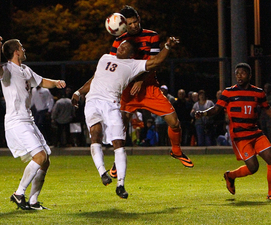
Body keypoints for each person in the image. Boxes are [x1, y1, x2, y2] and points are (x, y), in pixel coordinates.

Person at [71, 37, 178, 199]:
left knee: (119, 143)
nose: (120, 48)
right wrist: (79, 92)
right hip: (93, 100)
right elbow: (95, 78)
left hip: (113, 104)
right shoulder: (105, 58)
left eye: (125, 47)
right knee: (96, 133)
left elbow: (155, 61)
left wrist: (167, 47)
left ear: (131, 53)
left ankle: (120, 184)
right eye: (121, 45)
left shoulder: (133, 64)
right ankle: (102, 173)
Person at [109, 5, 194, 176]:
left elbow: (155, 62)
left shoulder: (151, 36)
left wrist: (141, 80)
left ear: (139, 19)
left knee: (174, 122)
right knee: (121, 127)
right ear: (124, 24)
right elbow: (113, 65)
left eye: (135, 22)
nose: (134, 26)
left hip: (149, 87)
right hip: (128, 90)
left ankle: (176, 150)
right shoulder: (119, 40)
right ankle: (117, 161)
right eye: (130, 24)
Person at [0, 36, 66, 210]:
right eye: (21, 47)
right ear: (16, 52)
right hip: (16, 122)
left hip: (29, 120)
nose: (24, 50)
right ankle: (19, 193)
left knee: (45, 160)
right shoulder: (7, 69)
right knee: (39, 157)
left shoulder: (25, 70)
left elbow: (41, 82)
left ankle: (33, 201)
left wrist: (56, 83)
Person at [195, 63, 271, 199]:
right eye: (237, 73)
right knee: (253, 167)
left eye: (243, 73)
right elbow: (217, 109)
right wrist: (203, 113)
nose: (239, 76)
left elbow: (267, 109)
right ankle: (230, 175)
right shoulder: (228, 92)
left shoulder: (258, 92)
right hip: (240, 136)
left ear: (250, 75)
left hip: (256, 132)